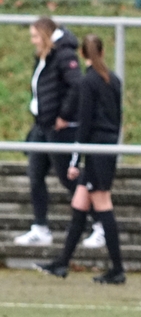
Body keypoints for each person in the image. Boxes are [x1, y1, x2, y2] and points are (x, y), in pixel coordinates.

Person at [35, 35, 125, 284]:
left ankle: (118, 269)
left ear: (83, 54)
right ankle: (62, 263)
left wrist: (75, 160)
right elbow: (117, 118)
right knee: (79, 206)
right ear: (102, 52)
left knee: (103, 205)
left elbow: (84, 123)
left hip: (96, 151)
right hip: (106, 149)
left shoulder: (88, 82)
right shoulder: (113, 80)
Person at [15, 18, 100, 247]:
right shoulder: (44, 56)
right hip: (42, 126)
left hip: (59, 128)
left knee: (68, 177)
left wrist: (64, 115)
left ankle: (100, 223)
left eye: (35, 36)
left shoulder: (64, 55)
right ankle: (40, 227)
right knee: (35, 175)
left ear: (45, 35)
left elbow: (76, 85)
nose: (33, 41)